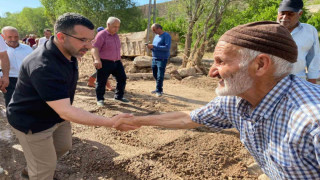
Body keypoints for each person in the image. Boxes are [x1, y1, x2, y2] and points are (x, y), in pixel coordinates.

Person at [114, 21, 320, 179]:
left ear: (260, 65)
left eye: (220, 62)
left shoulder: (312, 123)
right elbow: (189, 118)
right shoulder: (235, 100)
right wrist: (137, 120)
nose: (211, 72)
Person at [7, 13, 136, 180]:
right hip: (32, 121)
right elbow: (66, 111)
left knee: (63, 147)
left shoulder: (69, 51)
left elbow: (63, 111)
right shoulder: (43, 66)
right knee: (45, 167)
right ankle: (35, 173)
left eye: (91, 40)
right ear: (61, 37)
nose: (89, 46)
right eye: (83, 40)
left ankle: (32, 168)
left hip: (56, 116)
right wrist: (111, 122)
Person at [277, 0, 320, 83]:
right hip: (272, 83)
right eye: (282, 13)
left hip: (298, 81)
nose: (285, 17)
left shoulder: (309, 31)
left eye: (290, 14)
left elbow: (313, 58)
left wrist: (312, 84)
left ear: (300, 14)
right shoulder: (269, 31)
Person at [92, 17, 129, 106]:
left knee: (122, 78)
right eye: (114, 26)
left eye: (118, 27)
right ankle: (100, 99)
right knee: (101, 81)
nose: (116, 29)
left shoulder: (116, 35)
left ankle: (118, 97)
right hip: (104, 62)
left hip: (116, 62)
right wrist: (97, 59)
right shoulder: (101, 34)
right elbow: (94, 47)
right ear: (108, 25)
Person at [1, 26, 32, 107]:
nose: (13, 39)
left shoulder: (28, 48)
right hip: (9, 80)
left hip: (27, 80)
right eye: (10, 37)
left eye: (16, 36)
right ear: (3, 36)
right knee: (12, 105)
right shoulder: (2, 50)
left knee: (28, 104)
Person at [146, 23, 171, 97]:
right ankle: (158, 88)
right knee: (155, 74)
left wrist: (154, 46)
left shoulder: (166, 36)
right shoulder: (156, 36)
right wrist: (151, 47)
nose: (153, 31)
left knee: (160, 75)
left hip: (162, 59)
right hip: (155, 58)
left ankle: (159, 90)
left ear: (159, 28)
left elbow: (167, 47)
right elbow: (155, 47)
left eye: (154, 30)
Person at [87, 26, 114, 91]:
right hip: (99, 57)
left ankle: (91, 81)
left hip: (100, 57)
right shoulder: (98, 39)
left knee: (101, 71)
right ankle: (108, 86)